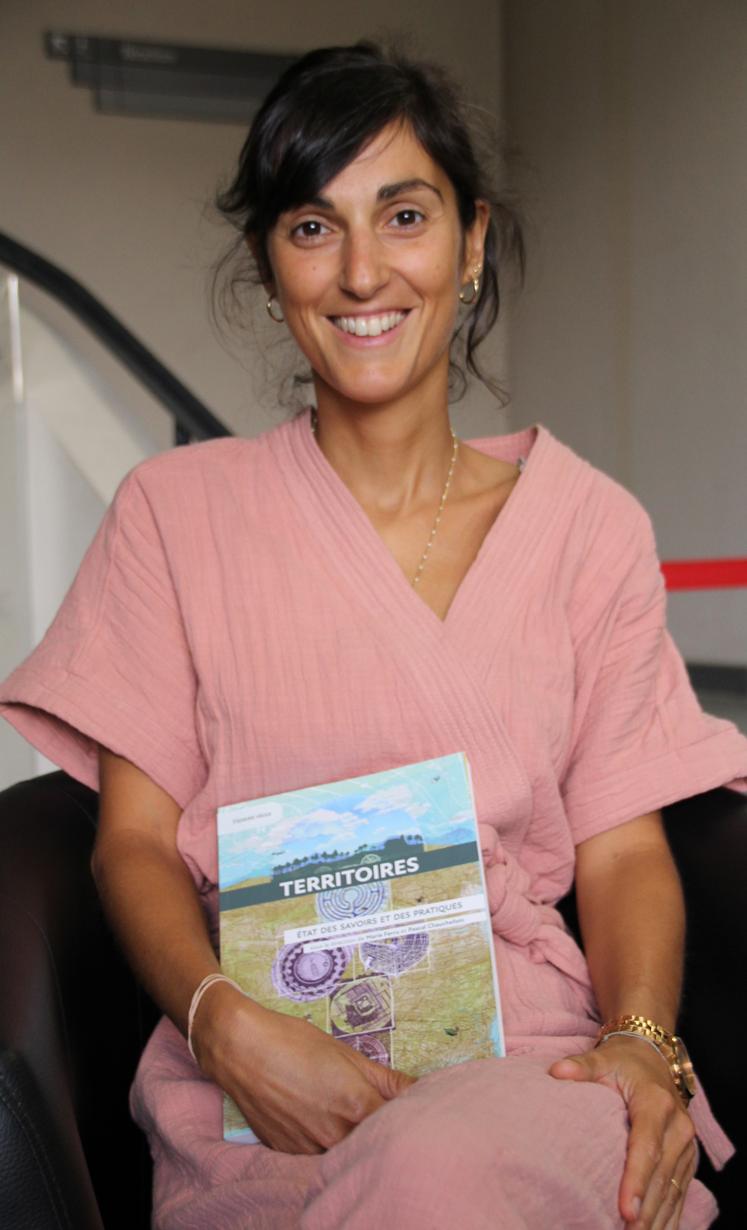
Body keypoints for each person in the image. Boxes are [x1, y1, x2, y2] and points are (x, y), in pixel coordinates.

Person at [1, 41, 746, 1230]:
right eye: (313, 226)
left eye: (404, 215)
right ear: (269, 264)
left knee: (430, 1173)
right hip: (262, 1089)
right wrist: (224, 1028)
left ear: (471, 240)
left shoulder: (586, 527)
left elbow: (621, 849)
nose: (361, 272)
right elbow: (129, 845)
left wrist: (646, 1042)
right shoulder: (174, 516)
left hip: (530, 1076)